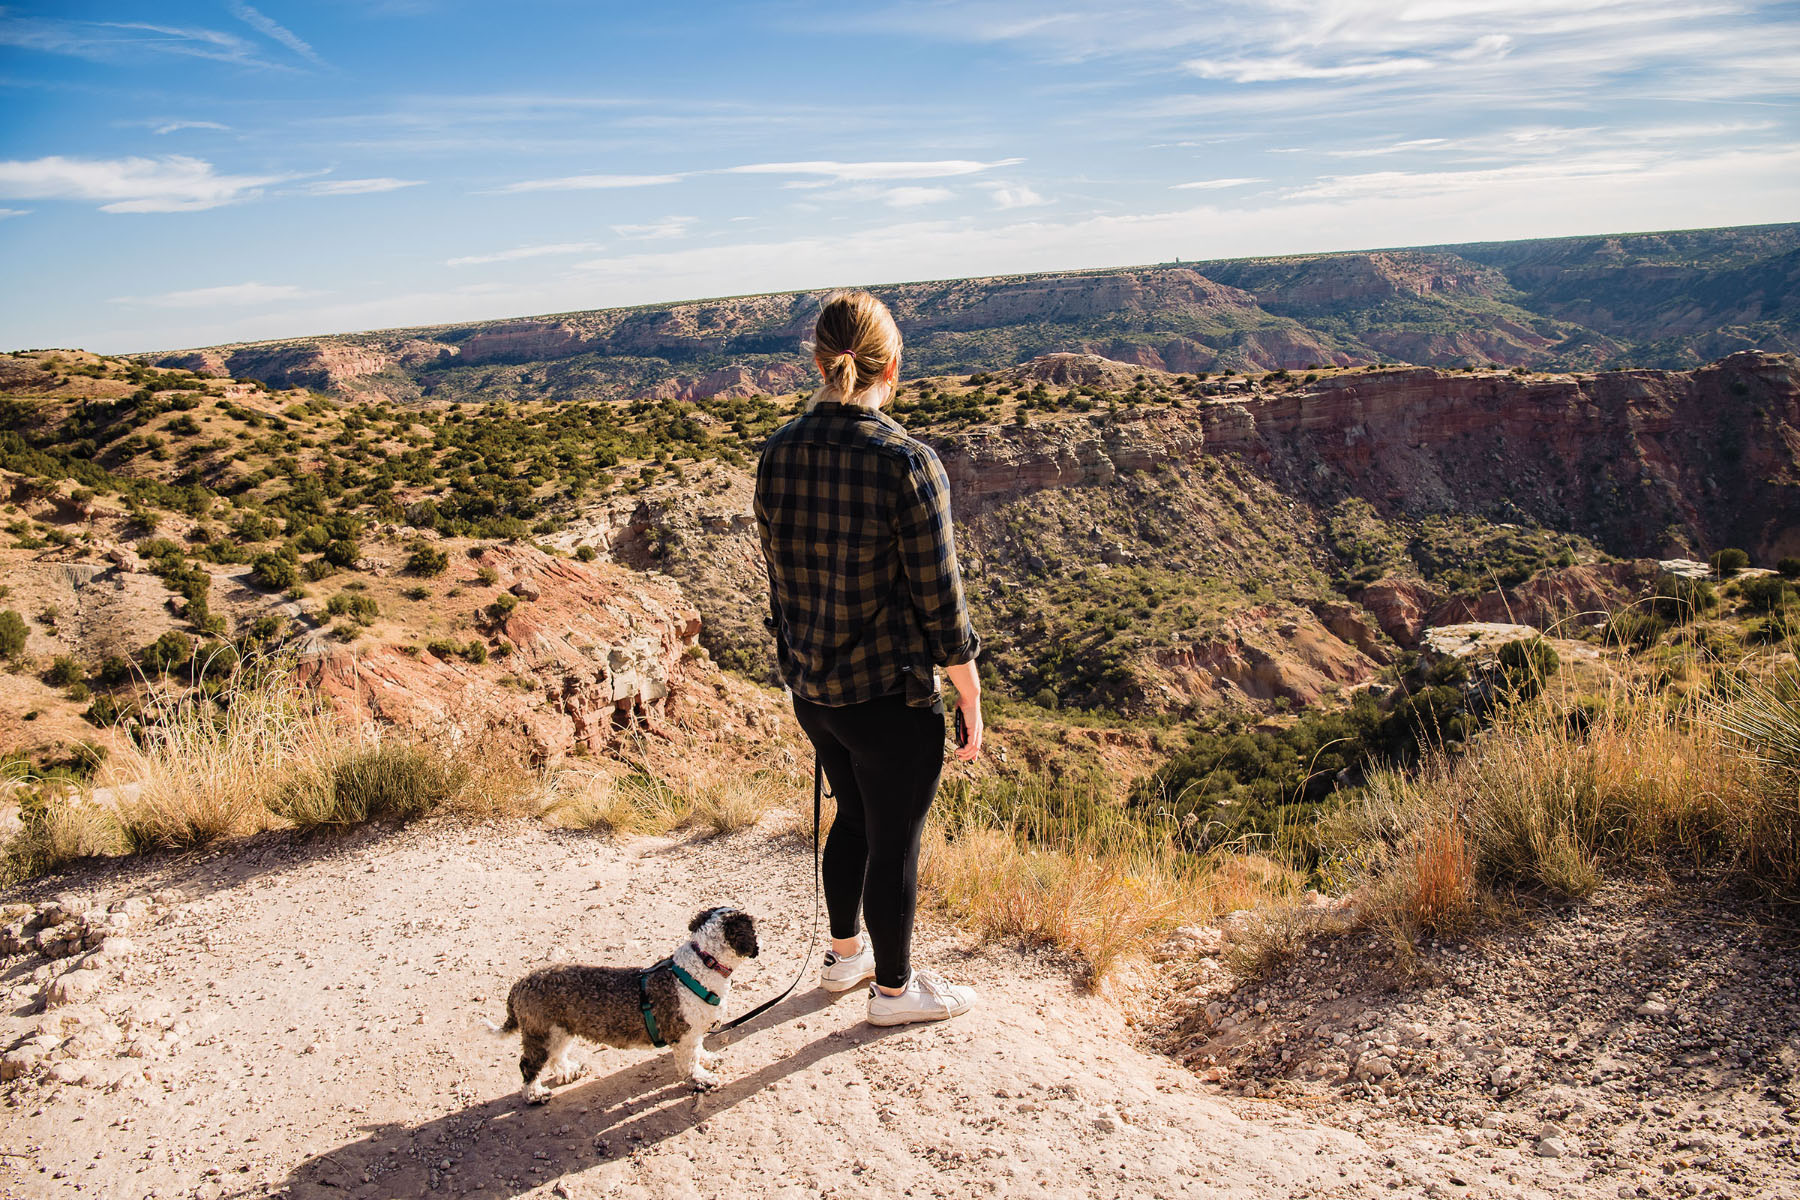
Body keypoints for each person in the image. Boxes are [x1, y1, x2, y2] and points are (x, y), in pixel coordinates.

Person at [753, 289, 984, 1027]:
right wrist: (970, 697)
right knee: (895, 839)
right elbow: (940, 601)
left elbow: (780, 577)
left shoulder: (779, 451)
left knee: (851, 818)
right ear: (893, 365)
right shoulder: (906, 463)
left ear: (820, 363)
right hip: (889, 697)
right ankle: (892, 992)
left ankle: (845, 956)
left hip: (814, 690)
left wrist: (800, 662)